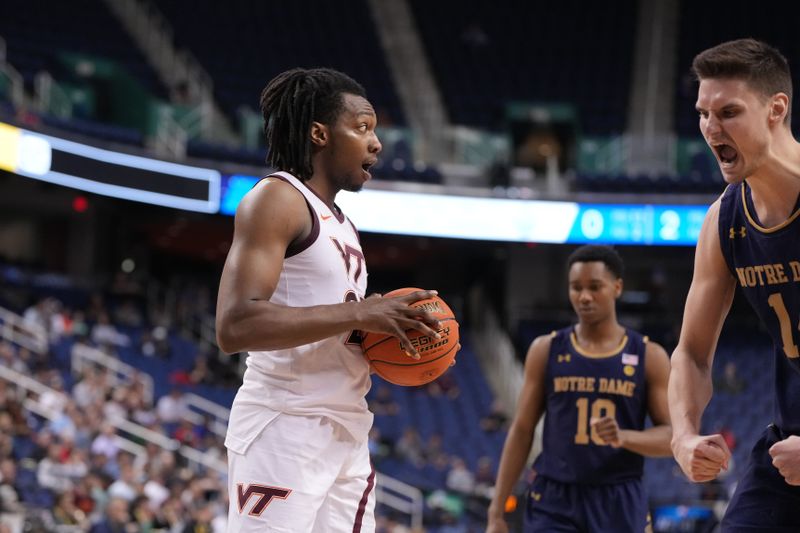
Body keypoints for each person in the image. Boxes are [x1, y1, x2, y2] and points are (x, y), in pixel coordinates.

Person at [215, 67, 444, 532]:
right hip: (284, 425)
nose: (376, 143)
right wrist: (360, 311)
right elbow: (235, 326)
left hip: (346, 428)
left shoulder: (342, 223)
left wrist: (387, 330)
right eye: (362, 128)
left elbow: (332, 324)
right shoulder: (276, 199)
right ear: (320, 133)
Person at [668, 38, 800, 531]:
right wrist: (682, 436)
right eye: (703, 114)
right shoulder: (723, 222)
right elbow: (692, 353)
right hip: (788, 450)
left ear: (776, 109)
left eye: (728, 112)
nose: (710, 129)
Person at [486, 245, 672, 533]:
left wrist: (624, 437)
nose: (584, 297)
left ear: (617, 287)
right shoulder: (545, 349)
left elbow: (672, 436)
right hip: (555, 496)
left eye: (595, 287)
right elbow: (522, 430)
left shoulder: (650, 355)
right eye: (576, 288)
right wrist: (497, 510)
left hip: (618, 496)